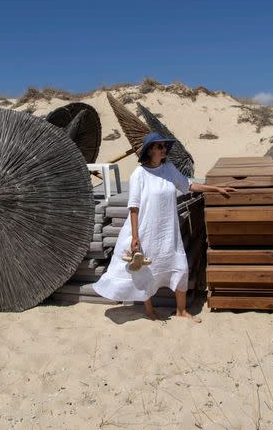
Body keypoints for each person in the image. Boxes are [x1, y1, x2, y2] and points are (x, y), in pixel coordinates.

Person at [93, 132, 236, 321]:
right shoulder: (139, 174)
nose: (164, 150)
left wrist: (216, 188)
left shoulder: (169, 168)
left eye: (164, 146)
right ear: (150, 150)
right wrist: (135, 237)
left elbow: (188, 185)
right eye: (160, 146)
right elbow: (133, 207)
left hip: (168, 231)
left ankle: (181, 310)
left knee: (180, 267)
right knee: (146, 271)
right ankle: (150, 311)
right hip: (146, 230)